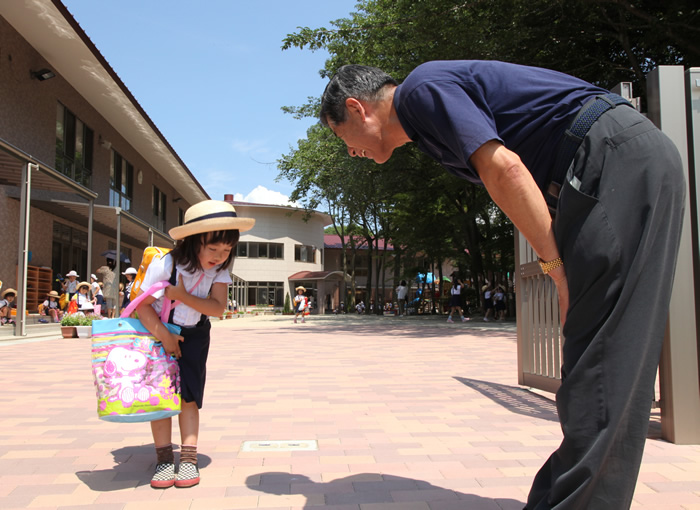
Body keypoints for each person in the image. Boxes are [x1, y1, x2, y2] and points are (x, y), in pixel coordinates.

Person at [320, 61, 685, 509]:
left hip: (613, 160)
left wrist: (556, 269)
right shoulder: (426, 121)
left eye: (342, 139)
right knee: (598, 359)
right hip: (615, 162)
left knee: (603, 359)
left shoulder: (420, 91)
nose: (349, 152)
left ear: (358, 109)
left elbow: (506, 170)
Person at [134, 200, 254, 489]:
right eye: (213, 249)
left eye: (226, 251)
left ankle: (188, 458)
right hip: (160, 334)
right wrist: (165, 336)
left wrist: (182, 295)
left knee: (189, 395)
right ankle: (164, 459)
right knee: (161, 398)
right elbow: (143, 306)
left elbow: (217, 308)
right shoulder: (167, 264)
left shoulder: (219, 272)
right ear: (192, 241)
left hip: (196, 336)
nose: (219, 256)